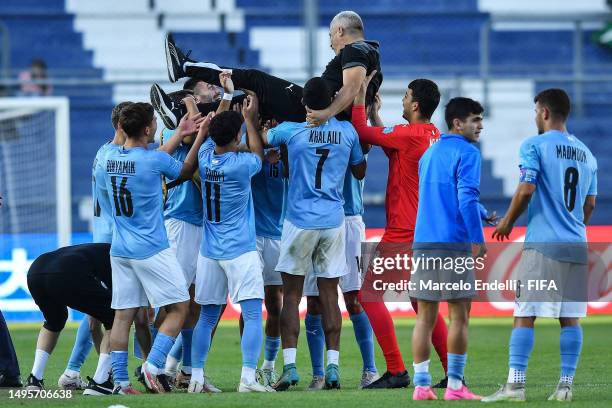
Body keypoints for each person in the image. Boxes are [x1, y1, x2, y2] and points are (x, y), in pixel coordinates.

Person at [482, 89, 597, 403]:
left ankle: (515, 387)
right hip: (577, 244)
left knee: (525, 314)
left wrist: (506, 221)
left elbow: (527, 187)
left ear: (544, 112)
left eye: (536, 112)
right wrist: (574, 227)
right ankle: (565, 387)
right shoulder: (587, 154)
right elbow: (589, 203)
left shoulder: (533, 145)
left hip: (543, 244)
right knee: (570, 317)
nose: (535, 117)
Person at [253, 77, 366, 391]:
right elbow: (360, 171)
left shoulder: (291, 130)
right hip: (333, 221)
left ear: (304, 103)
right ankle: (332, 368)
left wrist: (255, 122)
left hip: (298, 220)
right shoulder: (347, 132)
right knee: (331, 296)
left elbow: (265, 139)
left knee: (291, 296)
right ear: (331, 100)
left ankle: (289, 367)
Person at [351, 73, 450, 389]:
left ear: (416, 104)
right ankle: (453, 373)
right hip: (427, 229)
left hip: (404, 231)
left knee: (368, 295)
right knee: (423, 302)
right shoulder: (432, 133)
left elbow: (362, 131)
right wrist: (378, 117)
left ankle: (395, 369)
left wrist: (357, 94)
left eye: (407, 96)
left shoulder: (409, 134)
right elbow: (395, 148)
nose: (403, 100)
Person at [103, 102, 209, 395]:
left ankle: (121, 382)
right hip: (151, 248)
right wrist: (199, 135)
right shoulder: (153, 161)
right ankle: (153, 365)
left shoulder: (106, 156)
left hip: (120, 250)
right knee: (179, 307)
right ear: (149, 129)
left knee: (122, 316)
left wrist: (180, 133)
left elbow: (144, 158)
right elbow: (185, 170)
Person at [156, 10, 382, 128]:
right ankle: (180, 114)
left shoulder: (355, 50)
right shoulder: (371, 56)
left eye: (331, 36)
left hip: (315, 113)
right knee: (250, 99)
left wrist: (325, 114)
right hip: (327, 119)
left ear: (340, 31)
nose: (331, 43)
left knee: (255, 79)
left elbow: (352, 87)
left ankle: (185, 67)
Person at [188, 105, 272, 393]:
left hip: (209, 250)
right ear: (237, 136)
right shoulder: (242, 165)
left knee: (207, 317)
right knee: (250, 314)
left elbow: (214, 136)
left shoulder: (204, 156)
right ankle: (248, 378)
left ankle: (196, 377)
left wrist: (224, 102)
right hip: (240, 249)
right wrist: (249, 119)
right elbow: (258, 155)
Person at [409, 97, 486, 401]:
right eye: (475, 120)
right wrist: (478, 238)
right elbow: (464, 199)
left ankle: (422, 385)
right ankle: (455, 386)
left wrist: (479, 212)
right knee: (459, 316)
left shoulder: (429, 153)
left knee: (425, 318)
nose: (480, 126)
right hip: (453, 244)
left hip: (424, 242)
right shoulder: (469, 152)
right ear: (458, 123)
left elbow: (442, 196)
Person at [302, 143, 378, 390]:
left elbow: (368, 142)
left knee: (354, 298)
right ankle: (318, 374)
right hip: (315, 221)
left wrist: (372, 113)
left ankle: (370, 370)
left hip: (350, 221)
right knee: (314, 301)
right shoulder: (311, 130)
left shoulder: (353, 131)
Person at [24, 244, 115, 395]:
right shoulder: (117, 258)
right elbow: (117, 306)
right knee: (115, 317)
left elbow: (93, 324)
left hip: (36, 271)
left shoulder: (97, 250)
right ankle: (101, 382)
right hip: (66, 271)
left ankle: (35, 379)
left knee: (54, 321)